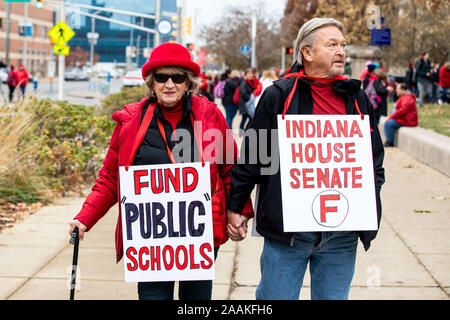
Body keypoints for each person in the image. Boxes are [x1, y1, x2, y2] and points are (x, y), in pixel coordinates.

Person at [68, 42, 253, 300]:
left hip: (199, 234)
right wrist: (85, 217)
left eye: (177, 77)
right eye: (161, 77)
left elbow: (230, 169)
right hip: (151, 240)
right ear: (151, 83)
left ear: (188, 83)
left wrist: (238, 211)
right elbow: (111, 177)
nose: (169, 84)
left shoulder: (209, 115)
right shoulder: (130, 121)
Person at [227, 17, 385, 300]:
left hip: (342, 236)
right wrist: (237, 205)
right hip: (289, 235)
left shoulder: (357, 99)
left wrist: (369, 196)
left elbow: (374, 160)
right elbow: (253, 156)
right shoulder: (279, 95)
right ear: (307, 53)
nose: (341, 51)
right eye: (332, 44)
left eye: (343, 45)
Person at [383, 83, 418, 147]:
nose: (396, 90)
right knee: (389, 122)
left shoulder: (407, 98)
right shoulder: (405, 97)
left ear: (403, 89)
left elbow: (402, 111)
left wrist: (392, 117)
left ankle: (390, 141)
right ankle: (389, 140)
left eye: (398, 89)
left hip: (407, 120)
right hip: (405, 119)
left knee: (388, 124)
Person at [238, 68, 261, 133]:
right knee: (245, 118)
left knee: (250, 118)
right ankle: (241, 131)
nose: (251, 75)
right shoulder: (244, 82)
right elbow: (243, 93)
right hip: (245, 103)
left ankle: (246, 131)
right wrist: (251, 98)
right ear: (246, 74)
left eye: (252, 73)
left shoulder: (253, 82)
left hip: (250, 103)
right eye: (249, 73)